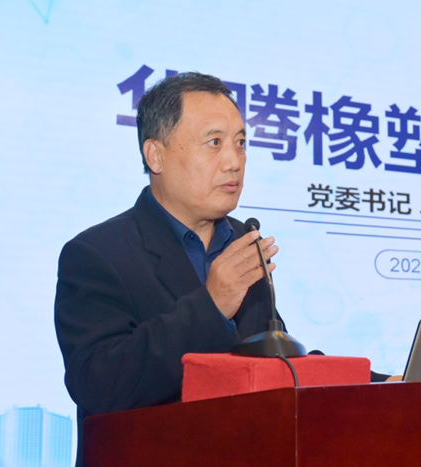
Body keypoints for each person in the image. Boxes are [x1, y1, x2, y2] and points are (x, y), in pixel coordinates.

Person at [54, 72, 391, 467]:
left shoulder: (242, 240)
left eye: (241, 143)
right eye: (214, 143)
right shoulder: (96, 254)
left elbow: (275, 362)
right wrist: (211, 306)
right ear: (155, 155)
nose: (234, 162)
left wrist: (380, 385)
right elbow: (99, 385)